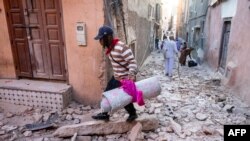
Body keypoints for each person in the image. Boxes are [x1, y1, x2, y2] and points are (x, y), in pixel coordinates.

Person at [92, 25, 138, 122]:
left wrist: (131, 75)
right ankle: (105, 114)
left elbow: (132, 62)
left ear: (107, 37)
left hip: (125, 79)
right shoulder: (109, 48)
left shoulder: (121, 47)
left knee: (124, 99)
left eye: (101, 39)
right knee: (107, 94)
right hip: (116, 77)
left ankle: (132, 114)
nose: (99, 42)